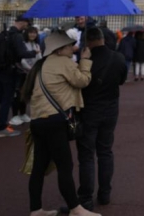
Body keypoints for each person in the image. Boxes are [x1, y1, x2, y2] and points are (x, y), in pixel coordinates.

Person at [24, 31, 98, 216]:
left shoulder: (42, 65)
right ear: (58, 50)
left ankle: (36, 209)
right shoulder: (62, 62)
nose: (72, 48)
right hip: (55, 121)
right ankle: (75, 208)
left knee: (39, 168)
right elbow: (82, 81)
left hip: (38, 120)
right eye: (68, 46)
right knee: (65, 167)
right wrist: (86, 61)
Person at [77, 27, 128, 211]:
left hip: (89, 109)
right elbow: (121, 80)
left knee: (87, 156)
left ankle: (85, 198)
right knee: (105, 152)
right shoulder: (118, 57)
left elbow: (79, 83)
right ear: (102, 39)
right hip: (110, 109)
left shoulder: (85, 60)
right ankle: (105, 193)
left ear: (88, 42)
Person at [0, 16, 39, 138]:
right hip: (9, 71)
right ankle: (2, 128)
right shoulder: (17, 36)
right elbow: (21, 53)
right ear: (23, 22)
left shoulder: (5, 33)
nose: (27, 26)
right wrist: (33, 53)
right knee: (6, 99)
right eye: (27, 23)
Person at [11, 27, 42, 126]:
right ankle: (15, 115)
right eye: (31, 33)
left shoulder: (36, 44)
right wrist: (30, 69)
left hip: (31, 72)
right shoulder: (23, 44)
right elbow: (23, 59)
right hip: (22, 72)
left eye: (34, 33)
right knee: (18, 93)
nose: (33, 35)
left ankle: (23, 113)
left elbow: (39, 57)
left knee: (26, 93)